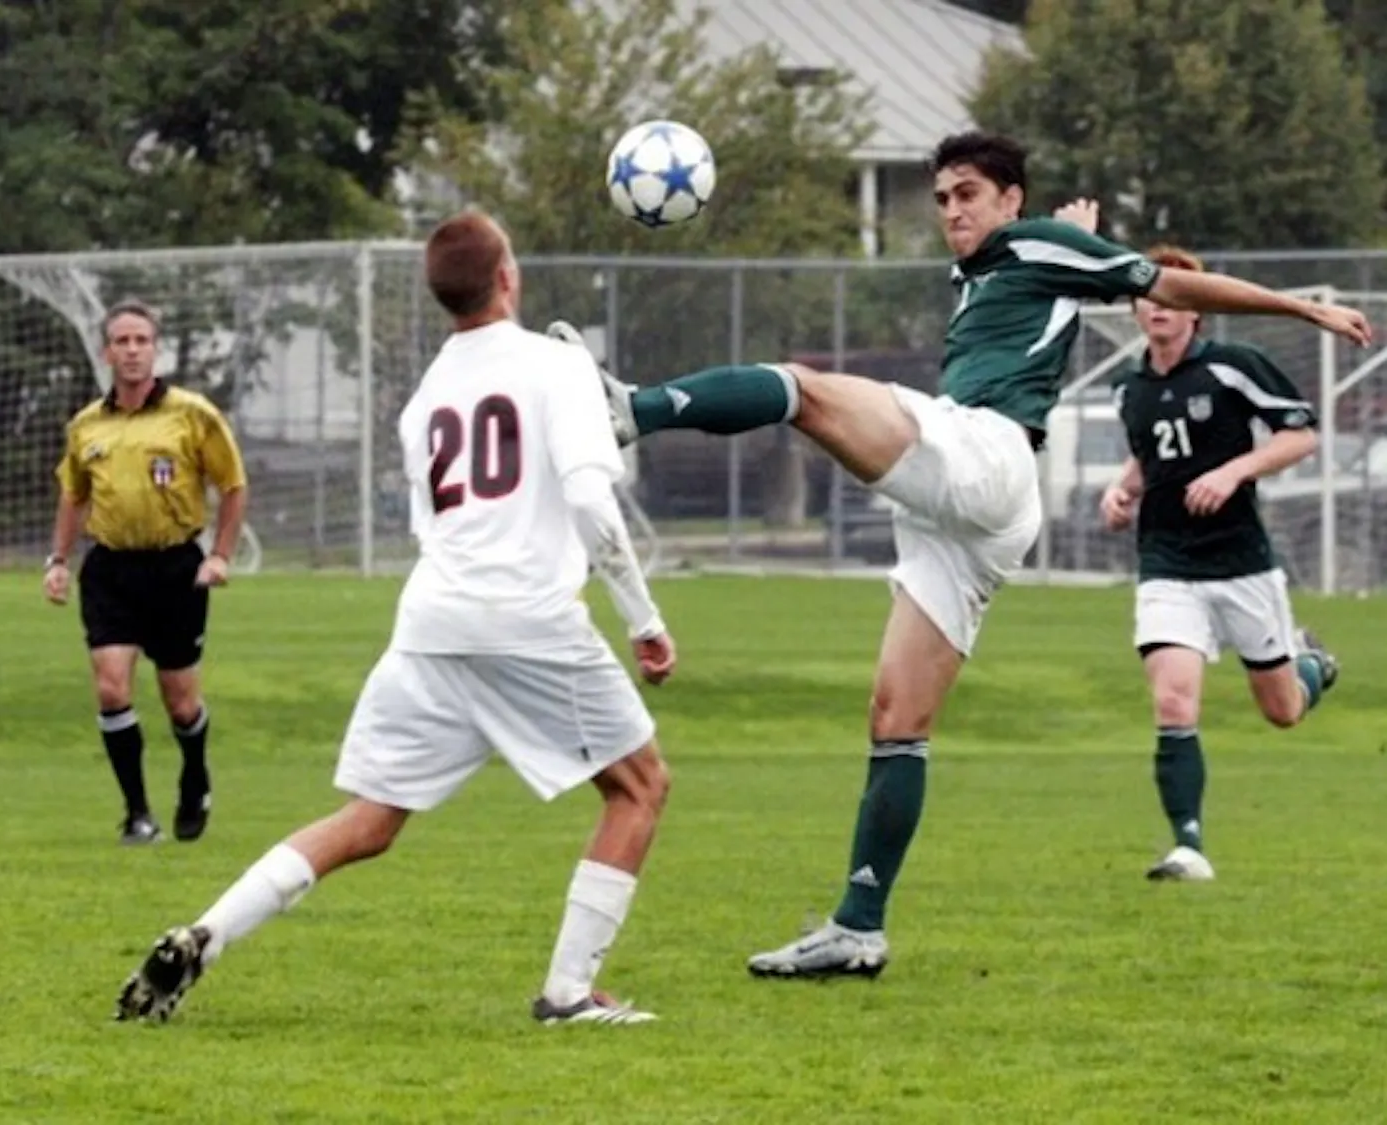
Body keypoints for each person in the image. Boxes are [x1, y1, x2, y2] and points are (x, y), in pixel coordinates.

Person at [548, 131, 1372, 980]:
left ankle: (630, 410)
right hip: (970, 511)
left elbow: (1166, 281)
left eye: (968, 193)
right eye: (941, 197)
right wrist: (1069, 232)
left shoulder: (1026, 240)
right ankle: (858, 927)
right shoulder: (996, 259)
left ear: (1011, 200)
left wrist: (1300, 307)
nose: (951, 210)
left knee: (799, 386)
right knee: (895, 721)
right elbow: (1060, 273)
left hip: (986, 456)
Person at [114, 209, 677, 1028]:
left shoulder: (425, 399)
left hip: (432, 623)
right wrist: (644, 619)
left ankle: (207, 933)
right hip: (527, 621)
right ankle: (568, 993)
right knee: (640, 786)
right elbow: (591, 496)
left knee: (369, 820)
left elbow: (433, 524)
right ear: (509, 278)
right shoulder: (559, 366)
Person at [1098, 244, 1340, 883]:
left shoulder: (1233, 369)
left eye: (1173, 298)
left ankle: (1313, 665)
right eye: (1147, 297)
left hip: (1241, 564)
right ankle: (1189, 847)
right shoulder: (1130, 389)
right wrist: (1120, 490)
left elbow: (1301, 433)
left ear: (1196, 310)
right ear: (1135, 308)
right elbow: (1149, 457)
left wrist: (1233, 472)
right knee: (1174, 703)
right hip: (1166, 564)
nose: (1159, 308)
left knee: (1282, 710)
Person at [45, 299, 248, 846]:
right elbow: (73, 494)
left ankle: (195, 776)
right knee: (112, 689)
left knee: (180, 700)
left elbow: (232, 485)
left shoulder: (192, 413)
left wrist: (220, 555)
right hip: (110, 569)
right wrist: (59, 561)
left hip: (176, 568)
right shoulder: (86, 425)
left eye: (142, 341)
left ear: (154, 349)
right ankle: (137, 814)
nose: (132, 351)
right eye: (122, 342)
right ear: (107, 351)